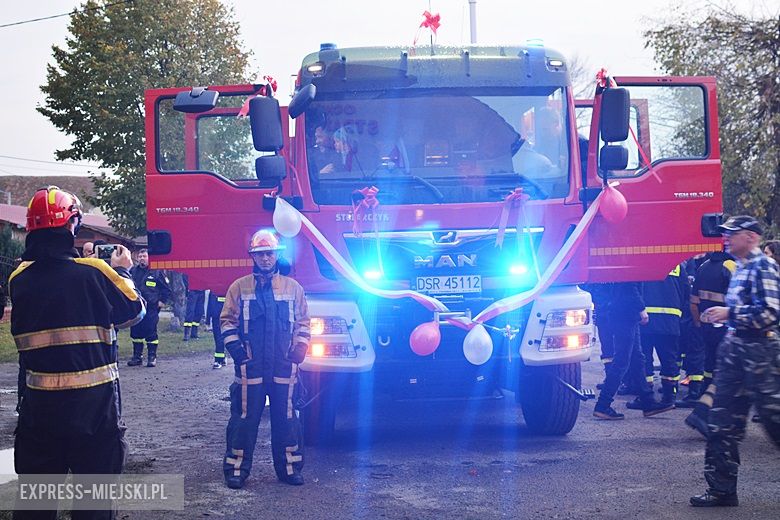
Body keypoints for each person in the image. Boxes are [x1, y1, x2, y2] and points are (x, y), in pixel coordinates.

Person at [9, 186, 145, 519]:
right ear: (72, 225)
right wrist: (122, 269)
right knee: (93, 503)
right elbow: (134, 312)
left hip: (38, 410)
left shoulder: (18, 280)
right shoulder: (95, 272)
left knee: (38, 504)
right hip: (94, 409)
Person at [690, 215, 780, 507]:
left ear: (751, 237)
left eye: (732, 233)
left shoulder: (763, 266)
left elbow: (770, 312)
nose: (726, 238)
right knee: (721, 423)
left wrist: (730, 314)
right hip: (736, 349)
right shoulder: (740, 267)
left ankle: (722, 488)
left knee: (774, 420)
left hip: (760, 352)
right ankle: (721, 490)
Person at [220, 229, 310, 489]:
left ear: (277, 255)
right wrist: (236, 350)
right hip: (251, 367)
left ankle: (290, 469)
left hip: (284, 365)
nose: (266, 259)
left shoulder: (294, 289)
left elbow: (304, 322)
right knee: (244, 419)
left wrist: (300, 348)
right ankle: (236, 470)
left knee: (287, 418)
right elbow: (227, 321)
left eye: (270, 253)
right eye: (260, 254)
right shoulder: (239, 287)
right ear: (253, 256)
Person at [593, 282, 674, 419]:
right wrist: (641, 308)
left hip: (625, 314)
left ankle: (648, 401)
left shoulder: (627, 262)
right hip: (625, 314)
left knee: (637, 359)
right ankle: (603, 404)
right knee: (622, 360)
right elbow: (628, 286)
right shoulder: (630, 264)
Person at [680, 250, 735, 420]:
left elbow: (694, 301)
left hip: (705, 324)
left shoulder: (703, 267)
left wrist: (698, 322)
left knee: (709, 362)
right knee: (725, 365)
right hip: (725, 325)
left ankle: (705, 394)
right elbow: (738, 297)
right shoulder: (730, 266)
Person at [128, 248, 171, 367]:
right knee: (136, 332)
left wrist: (162, 301)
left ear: (149, 258)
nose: (142, 258)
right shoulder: (133, 271)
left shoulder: (156, 271)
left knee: (150, 331)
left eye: (144, 256)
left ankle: (152, 357)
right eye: (140, 256)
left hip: (151, 307)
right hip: (136, 306)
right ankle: (137, 357)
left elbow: (166, 289)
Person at [207, 291, 227, 368]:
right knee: (218, 338)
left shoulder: (232, 285)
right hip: (217, 315)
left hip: (229, 314)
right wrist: (208, 318)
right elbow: (210, 302)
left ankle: (220, 359)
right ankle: (219, 359)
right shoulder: (214, 287)